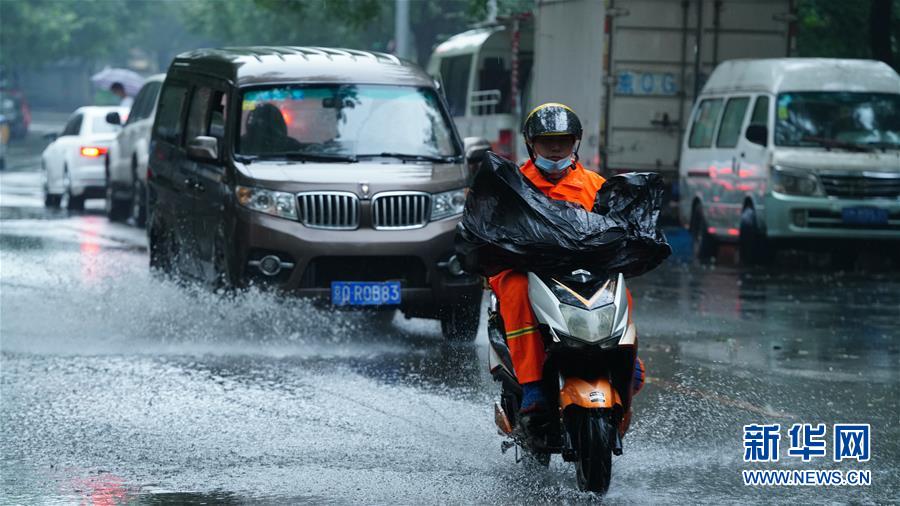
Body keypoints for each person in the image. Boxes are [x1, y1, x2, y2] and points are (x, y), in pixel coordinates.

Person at [488, 102, 645, 433]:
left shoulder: (595, 185)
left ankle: (628, 362)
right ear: (531, 144)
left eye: (563, 139)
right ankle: (531, 388)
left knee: (621, 290)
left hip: (581, 271)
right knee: (515, 290)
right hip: (526, 269)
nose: (556, 148)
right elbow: (491, 226)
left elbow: (615, 228)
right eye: (547, 141)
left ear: (575, 141)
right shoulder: (513, 183)